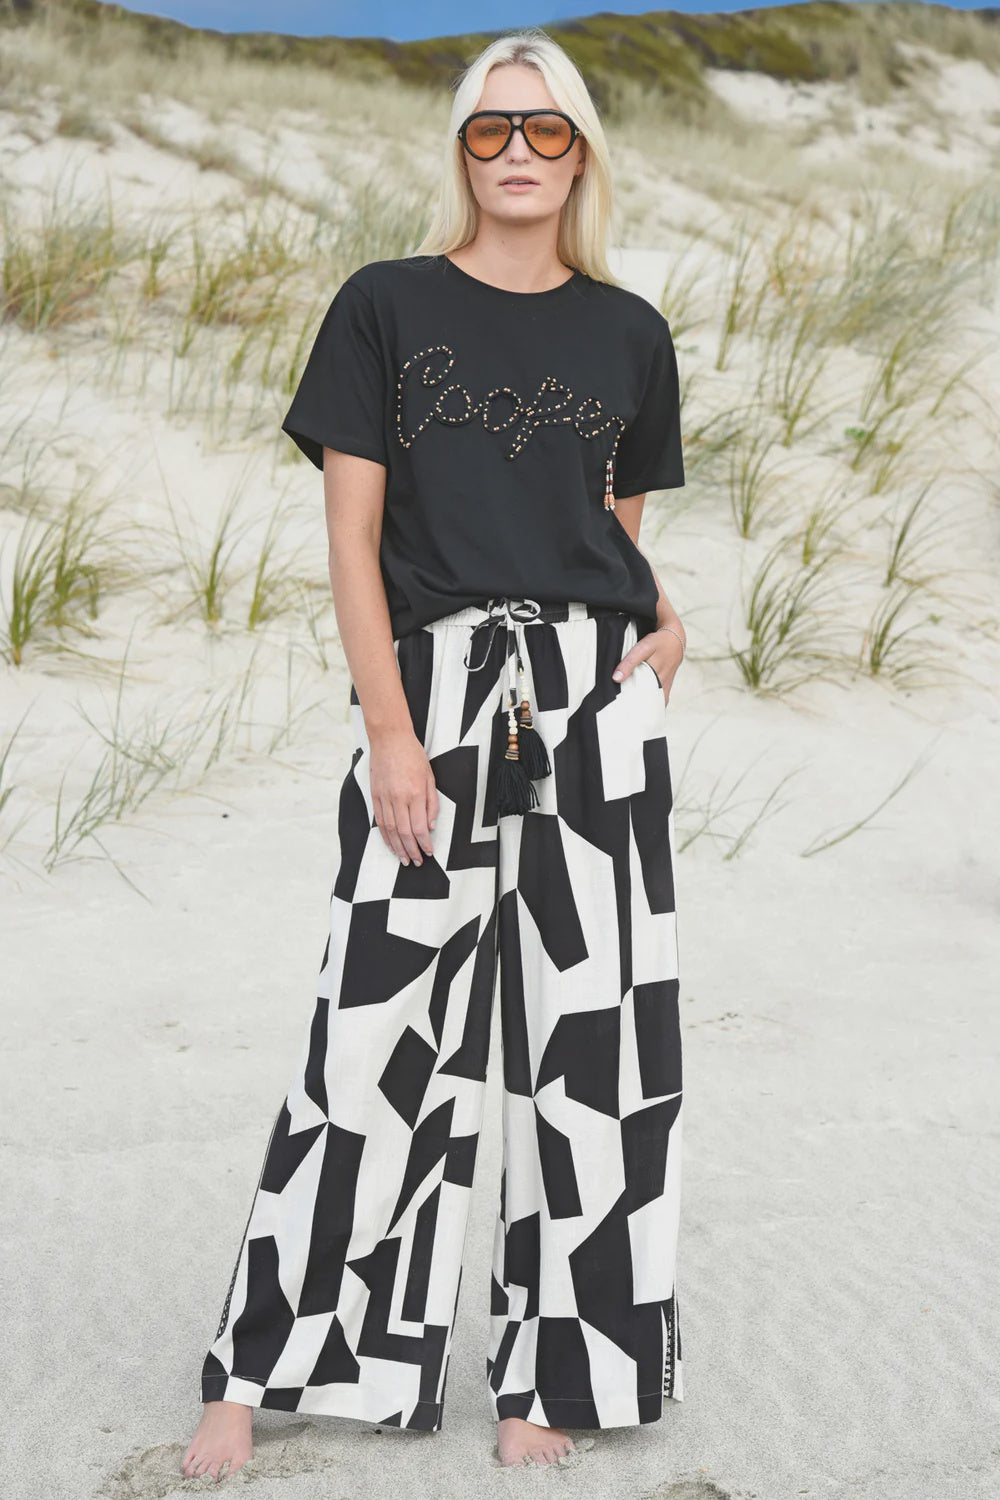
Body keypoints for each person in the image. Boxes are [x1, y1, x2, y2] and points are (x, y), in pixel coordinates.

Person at [182, 24, 687, 1481]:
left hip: (592, 704)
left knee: (593, 1045)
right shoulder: (385, 305)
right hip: (437, 690)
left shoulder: (631, 332)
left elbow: (609, 531)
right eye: (490, 129)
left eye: (545, 130)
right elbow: (351, 541)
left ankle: (558, 1374)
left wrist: (661, 628)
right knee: (374, 1028)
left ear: (580, 154)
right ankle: (261, 1364)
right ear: (461, 150)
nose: (517, 152)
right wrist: (392, 733)